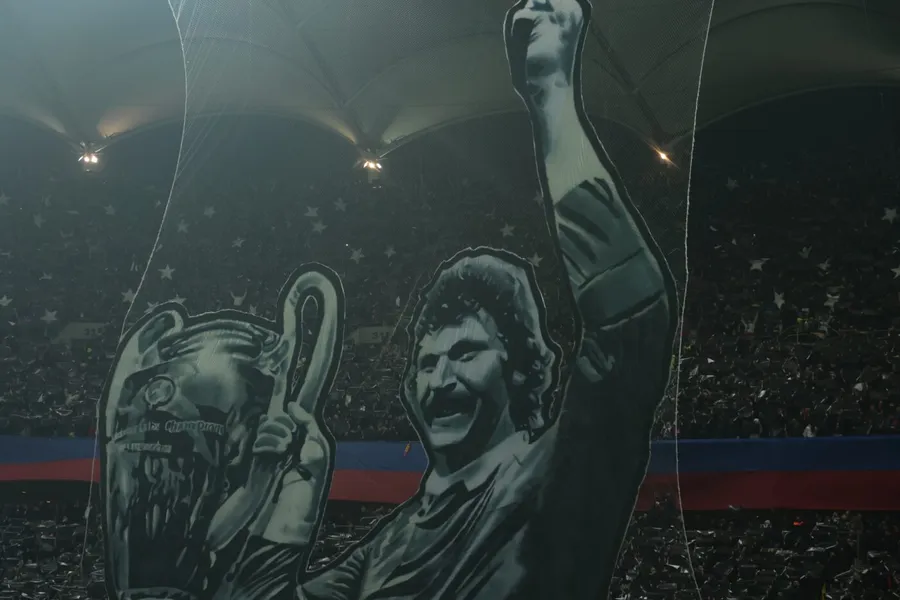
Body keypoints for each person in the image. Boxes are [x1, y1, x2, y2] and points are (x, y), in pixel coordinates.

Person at [218, 0, 677, 598]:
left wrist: (552, 98)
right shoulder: (389, 544)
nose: (439, 381)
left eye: (465, 354)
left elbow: (630, 315)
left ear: (521, 368)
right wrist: (291, 504)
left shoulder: (558, 478)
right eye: (428, 363)